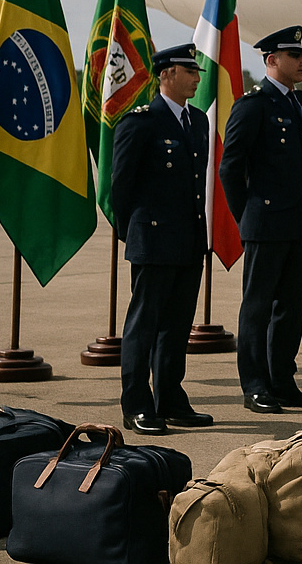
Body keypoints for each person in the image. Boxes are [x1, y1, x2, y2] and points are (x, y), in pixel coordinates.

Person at [111, 43, 214, 436]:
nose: (196, 77)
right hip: (153, 240)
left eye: (196, 71)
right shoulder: (140, 122)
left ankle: (170, 398)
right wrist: (134, 233)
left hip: (189, 240)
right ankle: (137, 403)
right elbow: (121, 187)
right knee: (145, 324)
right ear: (166, 74)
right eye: (189, 70)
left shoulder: (198, 121)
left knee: (176, 325)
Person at [220, 25, 302, 414]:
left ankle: (282, 380)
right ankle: (256, 384)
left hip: (299, 221)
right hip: (264, 221)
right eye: (295, 57)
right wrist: (246, 215)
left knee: (291, 307)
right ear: (271, 60)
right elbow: (231, 168)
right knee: (258, 307)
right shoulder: (253, 105)